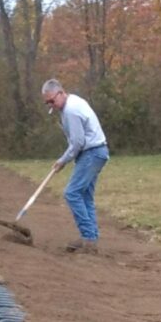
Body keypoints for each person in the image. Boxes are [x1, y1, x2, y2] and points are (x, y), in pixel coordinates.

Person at [41, 79, 109, 253]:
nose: (51, 105)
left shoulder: (71, 109)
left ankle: (88, 239)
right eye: (47, 102)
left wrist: (63, 160)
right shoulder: (71, 103)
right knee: (85, 196)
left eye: (52, 101)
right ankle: (90, 238)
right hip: (94, 152)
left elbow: (78, 142)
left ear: (61, 92)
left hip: (92, 153)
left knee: (71, 193)